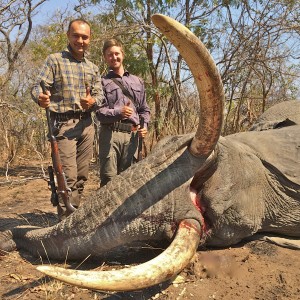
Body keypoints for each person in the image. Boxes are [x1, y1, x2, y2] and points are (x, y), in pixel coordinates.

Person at [31, 19, 103, 220]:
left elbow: (100, 96)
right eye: (76, 36)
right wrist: (40, 97)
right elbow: (38, 86)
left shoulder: (93, 67)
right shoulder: (55, 60)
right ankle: (64, 225)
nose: (80, 40)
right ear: (68, 36)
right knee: (67, 178)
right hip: (63, 125)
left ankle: (73, 218)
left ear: (90, 39)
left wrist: (92, 101)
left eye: (85, 37)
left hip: (86, 125)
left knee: (81, 178)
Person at [96, 38, 151, 187]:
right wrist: (118, 112)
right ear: (105, 57)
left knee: (129, 180)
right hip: (110, 134)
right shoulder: (101, 82)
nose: (114, 57)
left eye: (116, 53)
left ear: (123, 54)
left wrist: (144, 126)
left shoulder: (137, 81)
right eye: (110, 55)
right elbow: (99, 113)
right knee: (109, 180)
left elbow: (144, 109)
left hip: (132, 136)